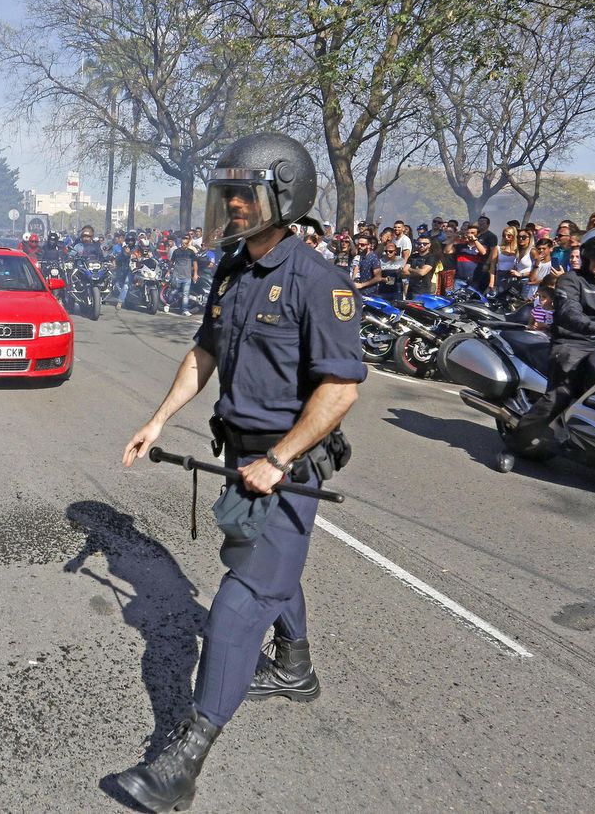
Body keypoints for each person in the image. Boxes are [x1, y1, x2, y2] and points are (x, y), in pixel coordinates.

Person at [115, 132, 363, 812]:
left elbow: (340, 388)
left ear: (283, 194)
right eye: (228, 192)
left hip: (289, 465)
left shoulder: (319, 281)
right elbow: (204, 352)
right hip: (240, 456)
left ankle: (182, 762)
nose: (231, 203)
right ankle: (294, 663)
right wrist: (159, 417)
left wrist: (280, 460)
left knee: (242, 594)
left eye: (243, 192)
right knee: (261, 559)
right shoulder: (231, 269)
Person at [503, 227, 595, 470]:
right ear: (585, 255)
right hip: (573, 343)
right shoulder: (571, 280)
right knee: (561, 394)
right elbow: (568, 311)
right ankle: (515, 444)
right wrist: (594, 327)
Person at [166, 232, 199, 315]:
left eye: (186, 243)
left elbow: (195, 263)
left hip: (187, 277)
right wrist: (168, 271)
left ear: (188, 243)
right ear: (181, 242)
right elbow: (171, 262)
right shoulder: (176, 252)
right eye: (183, 243)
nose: (184, 244)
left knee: (186, 294)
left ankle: (184, 310)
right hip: (177, 276)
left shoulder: (191, 252)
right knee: (174, 291)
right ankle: (168, 304)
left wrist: (195, 274)